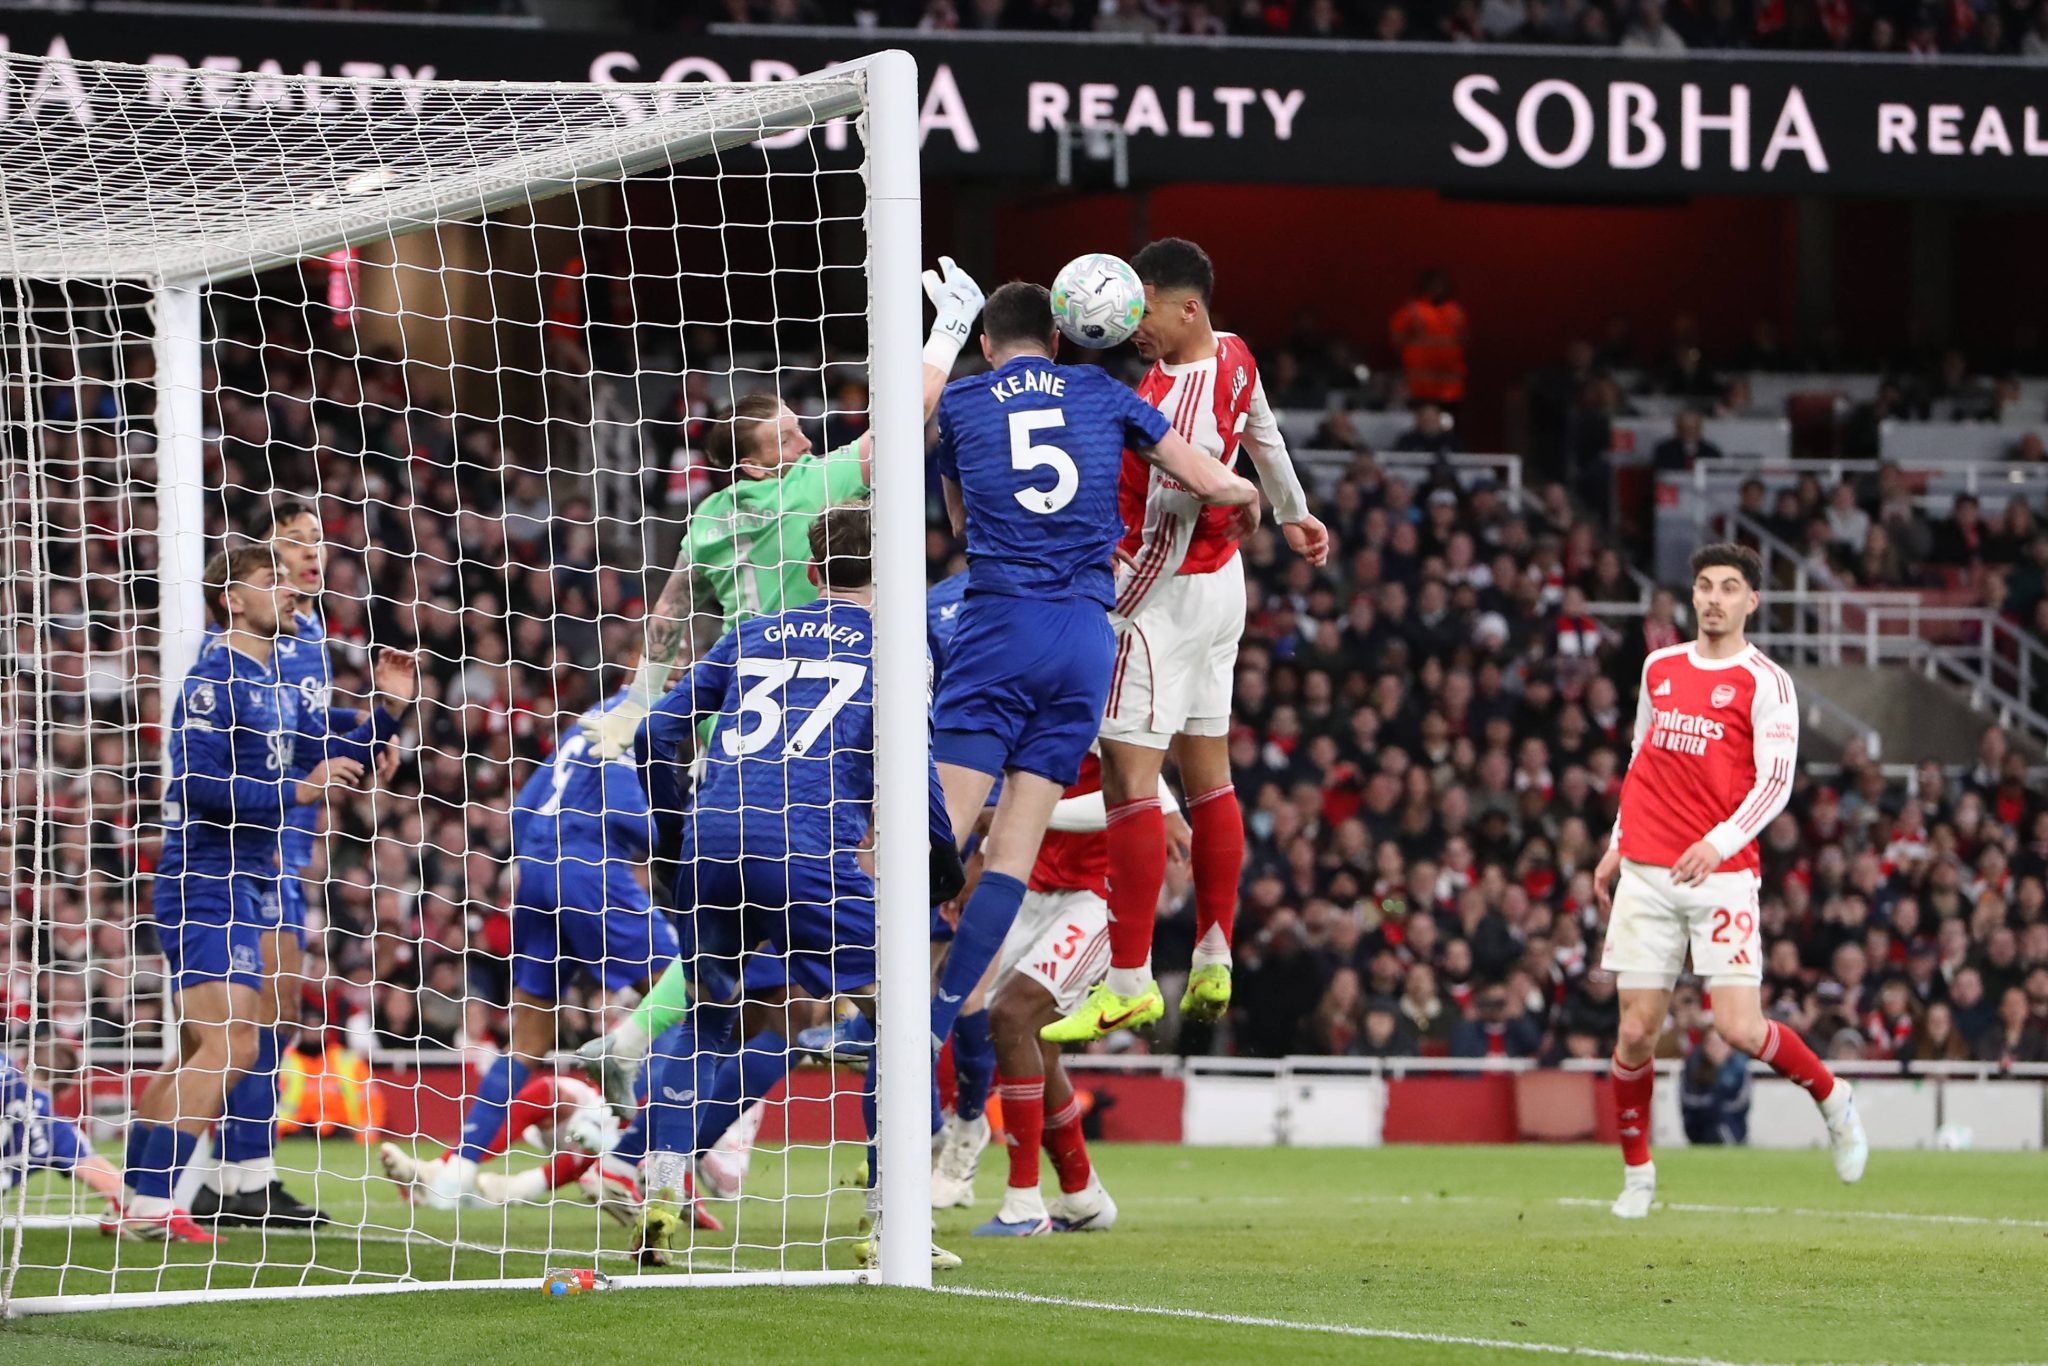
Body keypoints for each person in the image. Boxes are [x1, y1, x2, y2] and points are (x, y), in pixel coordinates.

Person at [620, 504, 965, 1270]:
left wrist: (674, 836)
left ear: (811, 571)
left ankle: (662, 1191)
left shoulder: (753, 633)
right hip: (808, 847)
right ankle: (891, 1221)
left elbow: (653, 733)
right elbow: (914, 764)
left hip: (714, 840)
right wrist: (944, 859)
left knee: (706, 1020)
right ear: (894, 570)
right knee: (898, 1025)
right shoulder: (898, 645)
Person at [925, 280, 1256, 1064]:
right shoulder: (1103, 393)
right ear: (1059, 339)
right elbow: (1204, 473)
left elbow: (962, 521)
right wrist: (1247, 494)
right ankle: (935, 1023)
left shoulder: (963, 404)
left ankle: (879, 1004)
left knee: (940, 831)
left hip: (999, 624)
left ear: (986, 345)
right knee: (1013, 852)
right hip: (1083, 637)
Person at [1048, 237, 1329, 1044]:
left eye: (1146, 310)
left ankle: (1128, 983)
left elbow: (1170, 525)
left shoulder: (1179, 402)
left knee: (1129, 782)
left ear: (1189, 308)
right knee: (1210, 778)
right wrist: (1294, 512)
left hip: (1161, 600)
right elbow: (1265, 432)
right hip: (1221, 591)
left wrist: (1115, 617)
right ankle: (1213, 952)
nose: (1133, 325)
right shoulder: (1234, 353)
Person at [122, 546, 414, 1241]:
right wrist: (295, 791)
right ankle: (154, 1207)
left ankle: (133, 1195)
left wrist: (388, 714)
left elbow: (327, 758)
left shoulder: (279, 682)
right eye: (269, 580)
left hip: (245, 883)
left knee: (200, 1048)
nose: (287, 591)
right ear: (233, 599)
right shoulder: (212, 679)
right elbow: (196, 786)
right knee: (231, 1046)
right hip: (203, 877)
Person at [1593, 541, 1866, 1219]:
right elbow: (1641, 758)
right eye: (1706, 586)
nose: (1714, 599)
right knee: (1636, 1031)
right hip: (1647, 870)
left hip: (1722, 874)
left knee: (1740, 1029)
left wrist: (1716, 844)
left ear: (1752, 601)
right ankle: (1638, 1175)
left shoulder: (1766, 681)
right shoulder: (1659, 667)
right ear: (1693, 596)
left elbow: (1776, 783)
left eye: (1729, 588)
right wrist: (1618, 842)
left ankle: (1833, 1097)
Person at [384, 684, 682, 1214]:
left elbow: (523, 808)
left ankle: (457, 1171)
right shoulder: (642, 719)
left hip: (537, 870)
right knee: (686, 1000)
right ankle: (637, 1163)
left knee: (528, 1040)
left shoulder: (590, 717)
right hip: (590, 867)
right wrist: (685, 831)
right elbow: (632, 817)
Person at [196, 499, 389, 1229]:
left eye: (316, 542)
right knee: (245, 1013)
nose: (310, 554)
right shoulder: (243, 642)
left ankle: (243, 1173)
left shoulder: (309, 635)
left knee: (277, 1009)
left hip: (294, 836)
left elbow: (308, 728)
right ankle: (225, 1176)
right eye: (291, 543)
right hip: (251, 835)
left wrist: (370, 728)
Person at [972, 748, 1186, 1236]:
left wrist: (1017, 814)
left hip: (1098, 894)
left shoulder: (1093, 709)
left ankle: (1023, 1202)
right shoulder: (1022, 714)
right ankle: (1081, 1194)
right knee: (1031, 1039)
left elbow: (1133, 782)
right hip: (1034, 887)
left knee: (1011, 1016)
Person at [3, 1051, 128, 1221]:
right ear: (66, 1091)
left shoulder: (4, 1068)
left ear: (22, 1060)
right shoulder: (59, 1131)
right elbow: (116, 1188)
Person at [1388, 266, 1468, 410]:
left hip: (1450, 390)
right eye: (1434, 284)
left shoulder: (1455, 313)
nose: (1438, 289)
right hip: (1419, 389)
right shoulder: (1411, 312)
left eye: (1441, 284)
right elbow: (1396, 342)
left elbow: (1464, 342)